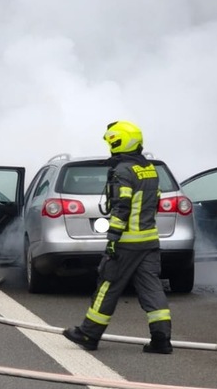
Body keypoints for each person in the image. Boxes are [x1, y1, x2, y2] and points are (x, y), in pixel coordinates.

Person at [63, 120, 173, 354]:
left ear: (119, 142)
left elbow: (121, 206)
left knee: (108, 286)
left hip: (126, 242)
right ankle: (161, 340)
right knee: (152, 288)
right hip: (149, 241)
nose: (110, 148)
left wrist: (113, 239)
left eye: (112, 143)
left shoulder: (123, 170)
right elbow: (155, 202)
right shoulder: (150, 169)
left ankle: (88, 334)